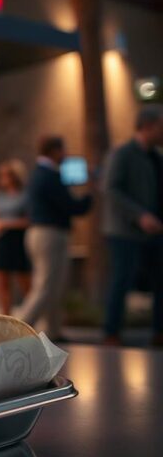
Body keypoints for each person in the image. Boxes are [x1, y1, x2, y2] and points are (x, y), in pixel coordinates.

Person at [17, 136, 92, 340]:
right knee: (45, 286)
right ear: (54, 151)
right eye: (63, 150)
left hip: (41, 233)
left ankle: (52, 330)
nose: (65, 154)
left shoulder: (40, 174)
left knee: (55, 285)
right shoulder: (48, 175)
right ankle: (15, 330)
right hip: (49, 234)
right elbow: (72, 206)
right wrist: (89, 194)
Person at [102, 105, 163, 346]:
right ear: (148, 126)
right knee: (122, 280)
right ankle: (111, 333)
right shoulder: (122, 153)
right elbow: (111, 189)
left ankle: (159, 331)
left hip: (155, 232)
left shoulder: (156, 157)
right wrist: (139, 216)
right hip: (124, 232)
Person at [0, 160, 32, 315]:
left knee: (24, 281)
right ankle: (5, 315)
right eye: (2, 175)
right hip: (3, 241)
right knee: (3, 283)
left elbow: (29, 220)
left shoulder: (25, 195)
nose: (4, 178)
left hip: (19, 240)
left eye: (7, 174)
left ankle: (30, 317)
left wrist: (6, 223)